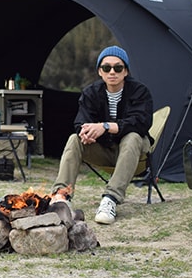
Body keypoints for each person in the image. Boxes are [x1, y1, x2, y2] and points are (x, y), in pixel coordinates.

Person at [51, 45, 153, 224]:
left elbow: (141, 123)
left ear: (126, 71)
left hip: (135, 152)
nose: (112, 72)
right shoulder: (91, 93)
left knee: (133, 137)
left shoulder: (140, 91)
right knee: (74, 139)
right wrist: (86, 133)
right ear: (100, 71)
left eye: (118, 67)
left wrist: (105, 126)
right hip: (105, 150)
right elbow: (80, 122)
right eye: (107, 68)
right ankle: (61, 197)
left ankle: (110, 199)